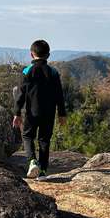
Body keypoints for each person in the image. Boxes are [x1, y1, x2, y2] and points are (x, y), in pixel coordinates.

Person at [13, 39, 67, 178]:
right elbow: (59, 95)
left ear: (31, 54)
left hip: (32, 112)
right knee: (44, 140)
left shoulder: (27, 71)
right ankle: (42, 172)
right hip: (49, 113)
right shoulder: (53, 72)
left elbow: (21, 94)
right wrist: (62, 114)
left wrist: (17, 113)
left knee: (27, 136)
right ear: (48, 55)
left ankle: (32, 161)